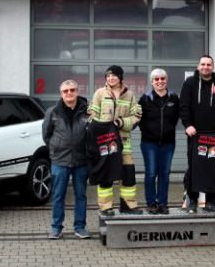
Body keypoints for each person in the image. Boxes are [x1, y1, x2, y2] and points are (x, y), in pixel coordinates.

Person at [179, 54, 215, 213]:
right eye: (203, 64)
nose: (205, 67)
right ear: (198, 66)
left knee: (212, 167)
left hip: (214, 135)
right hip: (195, 134)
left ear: (212, 67)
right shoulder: (190, 83)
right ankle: (192, 200)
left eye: (209, 64)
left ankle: (210, 201)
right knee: (194, 167)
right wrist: (187, 125)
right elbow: (184, 106)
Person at [88, 65, 143, 215]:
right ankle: (106, 207)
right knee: (106, 174)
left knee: (128, 174)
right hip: (106, 142)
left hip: (124, 143)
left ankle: (128, 205)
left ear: (120, 77)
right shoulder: (100, 93)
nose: (111, 78)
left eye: (114, 76)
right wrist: (102, 130)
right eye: (108, 76)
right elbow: (92, 115)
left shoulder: (129, 95)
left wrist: (121, 123)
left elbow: (136, 117)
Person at [42, 80, 90, 239]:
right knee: (58, 195)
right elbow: (46, 135)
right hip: (60, 161)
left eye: (72, 90)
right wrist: (55, 149)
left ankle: (80, 227)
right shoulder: (53, 111)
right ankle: (56, 228)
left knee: (81, 195)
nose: (69, 93)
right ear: (61, 93)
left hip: (81, 160)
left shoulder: (87, 111)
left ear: (77, 91)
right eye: (65, 91)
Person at [138, 68, 180, 215]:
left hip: (168, 143)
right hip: (149, 143)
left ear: (166, 80)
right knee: (151, 173)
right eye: (156, 79)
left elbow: (175, 119)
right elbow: (140, 120)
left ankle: (162, 203)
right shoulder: (145, 98)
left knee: (165, 173)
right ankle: (151, 203)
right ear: (152, 82)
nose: (160, 81)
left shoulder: (174, 98)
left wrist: (167, 130)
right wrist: (150, 132)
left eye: (162, 79)